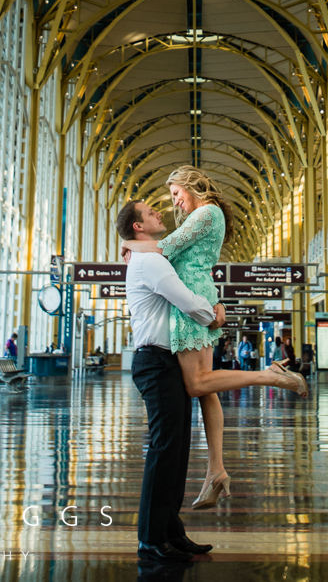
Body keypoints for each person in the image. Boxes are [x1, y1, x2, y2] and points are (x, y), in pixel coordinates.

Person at [120, 167, 307, 510]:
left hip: (192, 294)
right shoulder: (208, 215)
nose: (174, 201)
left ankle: (268, 375)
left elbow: (170, 247)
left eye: (176, 193)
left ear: (193, 185)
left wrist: (132, 246)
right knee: (206, 390)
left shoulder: (206, 212)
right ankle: (216, 470)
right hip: (200, 290)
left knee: (197, 383)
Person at [118, 199, 224, 564]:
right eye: (150, 213)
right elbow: (188, 303)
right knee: (164, 451)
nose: (159, 213)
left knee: (177, 452)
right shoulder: (149, 261)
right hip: (156, 363)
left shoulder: (148, 256)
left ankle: (171, 532)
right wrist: (215, 314)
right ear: (138, 227)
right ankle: (150, 538)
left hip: (167, 362)